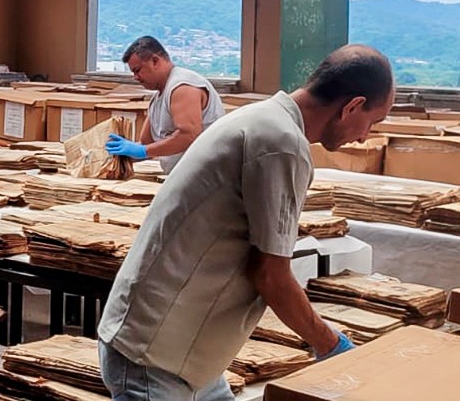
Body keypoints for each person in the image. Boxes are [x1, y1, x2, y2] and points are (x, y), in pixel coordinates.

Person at [98, 44, 394, 401]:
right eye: (372, 122)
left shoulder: (263, 119)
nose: (364, 136)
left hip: (187, 353)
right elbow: (270, 275)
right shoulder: (280, 142)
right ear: (352, 106)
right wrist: (332, 345)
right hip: (156, 356)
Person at [106, 36, 225, 173]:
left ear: (155, 61)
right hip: (183, 176)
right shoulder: (157, 98)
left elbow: (189, 135)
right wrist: (121, 153)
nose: (136, 77)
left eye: (138, 70)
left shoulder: (183, 87)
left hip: (206, 177)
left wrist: (142, 151)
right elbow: (147, 144)